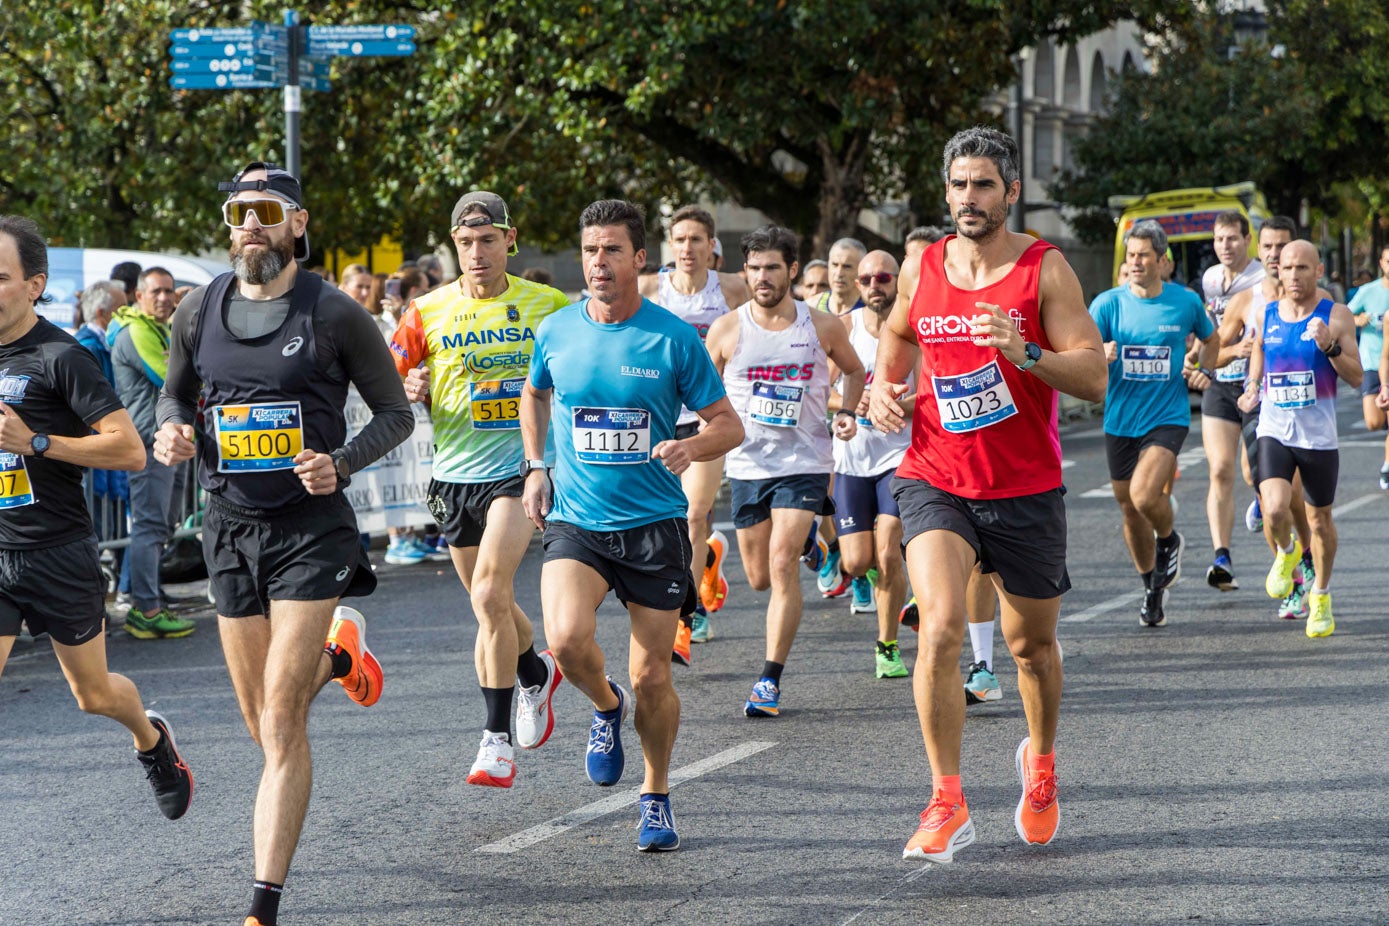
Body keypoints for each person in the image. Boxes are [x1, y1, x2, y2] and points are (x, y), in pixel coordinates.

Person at [153, 162, 413, 926]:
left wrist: (340, 463)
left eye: (266, 209)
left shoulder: (334, 314)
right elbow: (176, 391)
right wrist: (172, 427)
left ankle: (262, 905)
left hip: (309, 530)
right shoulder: (199, 310)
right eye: (237, 210)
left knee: (279, 722)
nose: (249, 224)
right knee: (260, 720)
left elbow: (394, 414)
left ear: (297, 222)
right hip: (229, 528)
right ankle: (342, 659)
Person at [868, 126, 1107, 863]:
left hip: (1024, 485)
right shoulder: (924, 265)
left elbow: (1093, 375)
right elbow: (900, 334)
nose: (968, 199)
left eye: (983, 186)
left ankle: (1039, 765)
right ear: (945, 192)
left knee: (1028, 646)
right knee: (938, 624)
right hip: (934, 473)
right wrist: (885, 385)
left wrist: (1025, 351)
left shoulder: (1044, 270)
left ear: (1009, 192)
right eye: (958, 185)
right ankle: (947, 799)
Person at [520, 198, 743, 851]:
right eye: (590, 250)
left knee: (653, 677)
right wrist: (536, 467)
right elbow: (534, 393)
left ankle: (654, 794)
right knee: (563, 638)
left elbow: (727, 423)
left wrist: (690, 447)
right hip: (578, 521)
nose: (599, 262)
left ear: (639, 258)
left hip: (653, 526)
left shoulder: (672, 337)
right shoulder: (557, 330)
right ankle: (602, 705)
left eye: (612, 250)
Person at [0, 215, 193, 822]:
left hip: (57, 552)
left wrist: (35, 442)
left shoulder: (62, 357)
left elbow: (128, 448)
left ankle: (152, 740)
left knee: (94, 695)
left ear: (34, 285)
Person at [391, 190, 570, 788]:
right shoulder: (425, 310)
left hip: (521, 471)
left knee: (491, 592)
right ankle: (535, 674)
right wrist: (410, 384)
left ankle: (494, 741)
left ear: (509, 241)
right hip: (454, 477)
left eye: (488, 241)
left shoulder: (547, 305)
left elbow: (578, 372)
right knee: (489, 605)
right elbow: (384, 381)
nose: (476, 253)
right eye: (465, 243)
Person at [704, 224, 863, 716]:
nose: (762, 277)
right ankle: (814, 544)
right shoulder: (728, 329)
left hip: (805, 461)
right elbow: (703, 391)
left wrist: (847, 412)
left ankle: (768, 681)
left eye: (772, 267)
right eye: (753, 268)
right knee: (757, 578)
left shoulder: (821, 326)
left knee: (780, 563)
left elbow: (855, 371)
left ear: (792, 270)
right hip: (749, 463)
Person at [1091, 221, 1218, 627]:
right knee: (1129, 509)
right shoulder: (1108, 304)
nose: (1136, 263)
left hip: (1167, 416)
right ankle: (1152, 587)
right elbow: (1080, 349)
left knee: (1146, 496)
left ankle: (1169, 539)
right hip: (1121, 418)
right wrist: (1100, 353)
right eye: (1131, 256)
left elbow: (1210, 340)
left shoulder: (1184, 302)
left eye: (1144, 255)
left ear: (1163, 261)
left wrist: (1202, 369)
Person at [638, 206, 750, 657]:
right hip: (660, 417)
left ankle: (689, 615)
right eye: (679, 240)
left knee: (694, 513)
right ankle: (705, 561)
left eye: (696, 240)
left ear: (711, 246)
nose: (687, 248)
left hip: (708, 415)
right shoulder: (650, 288)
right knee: (669, 517)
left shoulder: (732, 290)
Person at [1238, 240, 1362, 638]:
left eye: (1302, 268)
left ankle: (1321, 595)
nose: (1293, 275)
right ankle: (1289, 554)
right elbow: (1259, 347)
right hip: (1274, 428)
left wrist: (1328, 345)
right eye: (1287, 268)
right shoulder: (1267, 313)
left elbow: (1357, 376)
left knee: (1319, 520)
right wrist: (1253, 384)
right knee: (1272, 509)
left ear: (1318, 271)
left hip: (1318, 437)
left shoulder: (1336, 315)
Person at [1216, 216, 1318, 619]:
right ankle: (1295, 570)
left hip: (1306, 413)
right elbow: (1214, 351)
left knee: (1292, 500)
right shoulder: (1247, 300)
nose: (1277, 256)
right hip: (1262, 407)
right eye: (1270, 248)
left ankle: (1306, 567)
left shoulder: (1319, 300)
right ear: (1260, 251)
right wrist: (1236, 353)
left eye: (1285, 248)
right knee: (1261, 486)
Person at [830, 249, 912, 677]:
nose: (874, 286)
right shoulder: (844, 328)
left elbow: (933, 388)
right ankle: (877, 580)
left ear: (897, 279)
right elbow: (818, 389)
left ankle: (887, 645)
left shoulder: (913, 326)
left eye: (883, 277)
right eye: (866, 280)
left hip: (899, 454)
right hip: (852, 459)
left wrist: (898, 403)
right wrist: (848, 403)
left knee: (889, 547)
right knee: (858, 563)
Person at [111, 267, 196, 640]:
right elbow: (173, 379)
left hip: (166, 443)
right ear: (139, 296)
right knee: (149, 526)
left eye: (169, 291)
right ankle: (145, 609)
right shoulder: (136, 332)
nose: (164, 298)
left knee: (162, 524)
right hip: (148, 445)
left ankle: (144, 594)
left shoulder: (159, 328)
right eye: (156, 292)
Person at [1196, 211, 1264, 591]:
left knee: (1252, 472)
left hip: (1254, 387)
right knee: (1219, 469)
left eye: (1233, 238)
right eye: (1220, 239)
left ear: (1247, 239)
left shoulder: (1260, 280)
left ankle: (1260, 496)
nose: (1225, 246)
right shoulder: (1210, 279)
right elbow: (1212, 334)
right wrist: (1204, 359)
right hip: (1221, 385)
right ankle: (1221, 556)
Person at [1347, 244, 1389, 488]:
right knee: (1374, 421)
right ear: (1381, 264)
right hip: (1373, 360)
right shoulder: (1367, 291)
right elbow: (1344, 315)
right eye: (1387, 261)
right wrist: (1357, 320)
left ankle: (1386, 463)